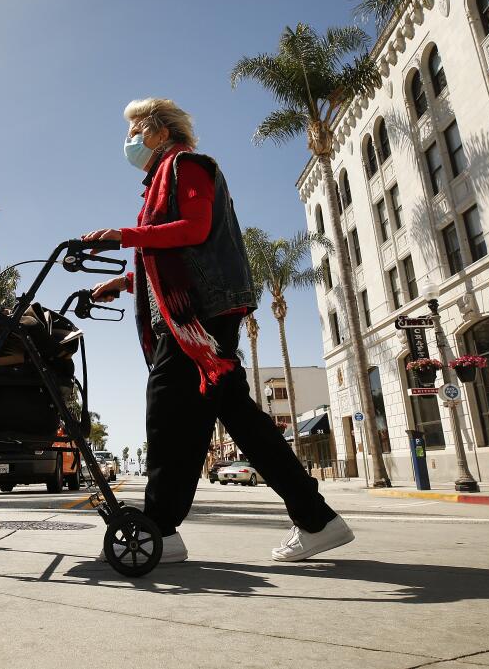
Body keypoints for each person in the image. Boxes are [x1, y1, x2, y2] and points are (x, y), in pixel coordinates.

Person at [83, 97, 354, 564]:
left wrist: (124, 235)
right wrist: (126, 281)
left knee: (168, 414)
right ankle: (316, 518)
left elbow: (194, 228)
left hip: (199, 320)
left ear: (160, 131)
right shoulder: (160, 179)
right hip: (193, 317)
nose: (129, 140)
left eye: (135, 129)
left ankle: (161, 531)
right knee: (239, 422)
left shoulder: (188, 165)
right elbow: (174, 259)